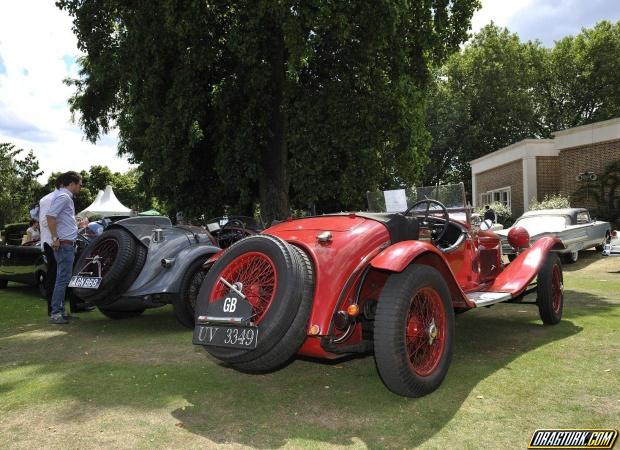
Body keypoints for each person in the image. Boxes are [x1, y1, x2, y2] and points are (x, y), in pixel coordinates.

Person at [46, 171, 83, 324]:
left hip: (66, 244)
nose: (80, 188)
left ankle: (60, 311)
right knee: (62, 279)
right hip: (64, 245)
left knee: (63, 279)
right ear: (72, 184)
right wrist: (55, 238)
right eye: (80, 185)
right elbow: (50, 216)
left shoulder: (62, 196)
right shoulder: (64, 196)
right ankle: (56, 313)